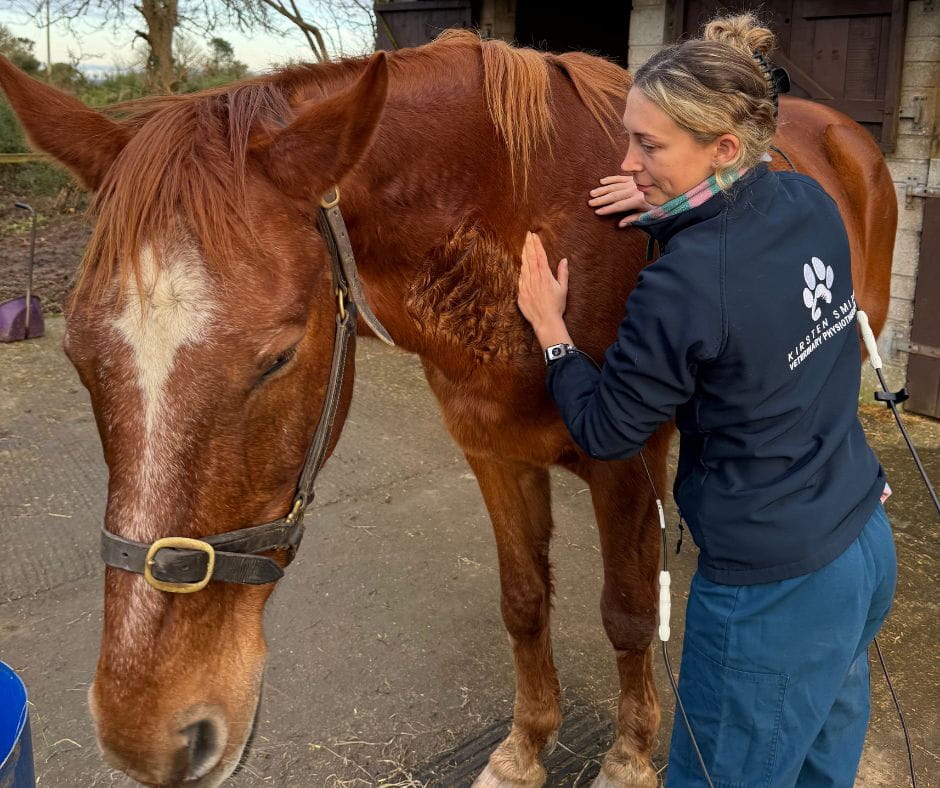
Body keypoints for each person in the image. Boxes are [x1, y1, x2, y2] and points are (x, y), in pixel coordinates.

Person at [516, 13, 897, 788]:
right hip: (862, 543)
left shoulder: (682, 285)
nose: (627, 162)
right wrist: (664, 197)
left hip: (771, 599)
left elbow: (608, 428)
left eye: (648, 147)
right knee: (821, 770)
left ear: (723, 149)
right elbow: (741, 293)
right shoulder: (810, 203)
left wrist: (553, 332)